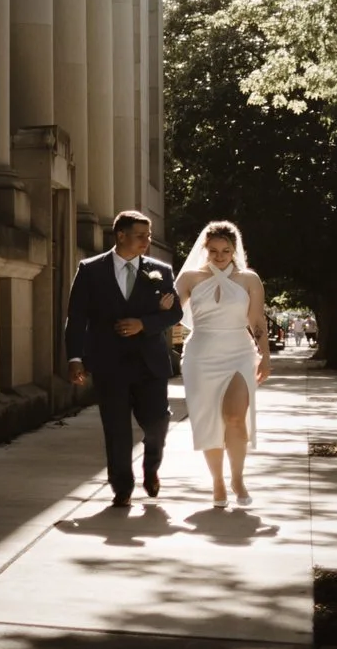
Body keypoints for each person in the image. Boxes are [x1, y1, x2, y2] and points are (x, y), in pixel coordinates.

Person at [65, 209, 180, 505]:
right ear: (121, 235)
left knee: (157, 423)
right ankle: (122, 489)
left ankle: (151, 467)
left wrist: (145, 324)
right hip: (108, 363)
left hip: (149, 364)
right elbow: (76, 318)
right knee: (116, 429)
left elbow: (176, 312)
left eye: (149, 235)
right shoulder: (90, 270)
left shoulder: (161, 271)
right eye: (141, 235)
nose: (147, 240)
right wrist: (75, 358)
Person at [174, 219, 269, 505]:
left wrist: (264, 354)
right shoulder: (189, 278)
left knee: (235, 417)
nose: (219, 256)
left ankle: (238, 479)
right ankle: (217, 483)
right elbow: (168, 315)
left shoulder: (249, 279)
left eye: (225, 251)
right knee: (208, 421)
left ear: (234, 250)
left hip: (239, 351)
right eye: (213, 250)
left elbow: (257, 320)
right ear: (205, 249)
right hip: (201, 354)